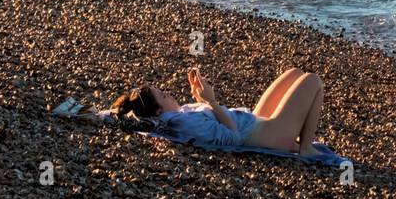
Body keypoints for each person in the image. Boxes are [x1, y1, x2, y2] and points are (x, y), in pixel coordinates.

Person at [110, 67, 326, 158]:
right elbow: (234, 137)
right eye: (164, 96)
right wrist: (211, 101)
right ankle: (305, 147)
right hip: (263, 135)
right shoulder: (184, 123)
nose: (168, 92)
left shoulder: (179, 113)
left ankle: (297, 140)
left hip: (254, 122)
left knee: (294, 73)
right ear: (158, 111)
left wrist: (200, 99)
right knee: (313, 81)